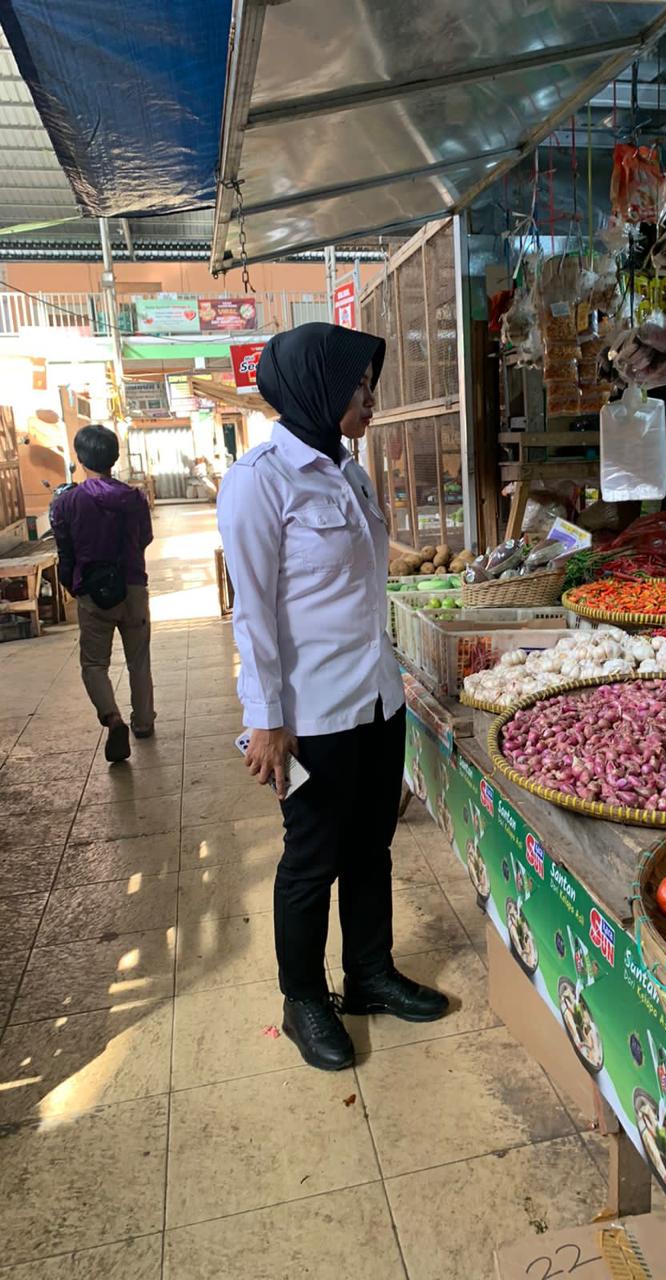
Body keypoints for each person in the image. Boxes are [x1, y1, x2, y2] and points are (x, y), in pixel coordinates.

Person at [217, 322, 448, 1072]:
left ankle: (370, 974)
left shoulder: (348, 471)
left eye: (370, 385)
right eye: (359, 386)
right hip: (311, 713)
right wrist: (266, 720)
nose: (370, 399)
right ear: (317, 389)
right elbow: (252, 614)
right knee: (311, 859)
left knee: (370, 847)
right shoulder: (259, 480)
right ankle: (303, 1000)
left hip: (377, 699)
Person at [50, 424, 156, 764]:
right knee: (139, 660)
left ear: (80, 460)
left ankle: (112, 718)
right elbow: (145, 538)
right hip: (133, 586)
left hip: (92, 592)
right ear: (114, 457)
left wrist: (74, 584)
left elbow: (64, 549)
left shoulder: (67, 502)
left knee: (94, 664)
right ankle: (143, 723)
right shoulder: (133, 498)